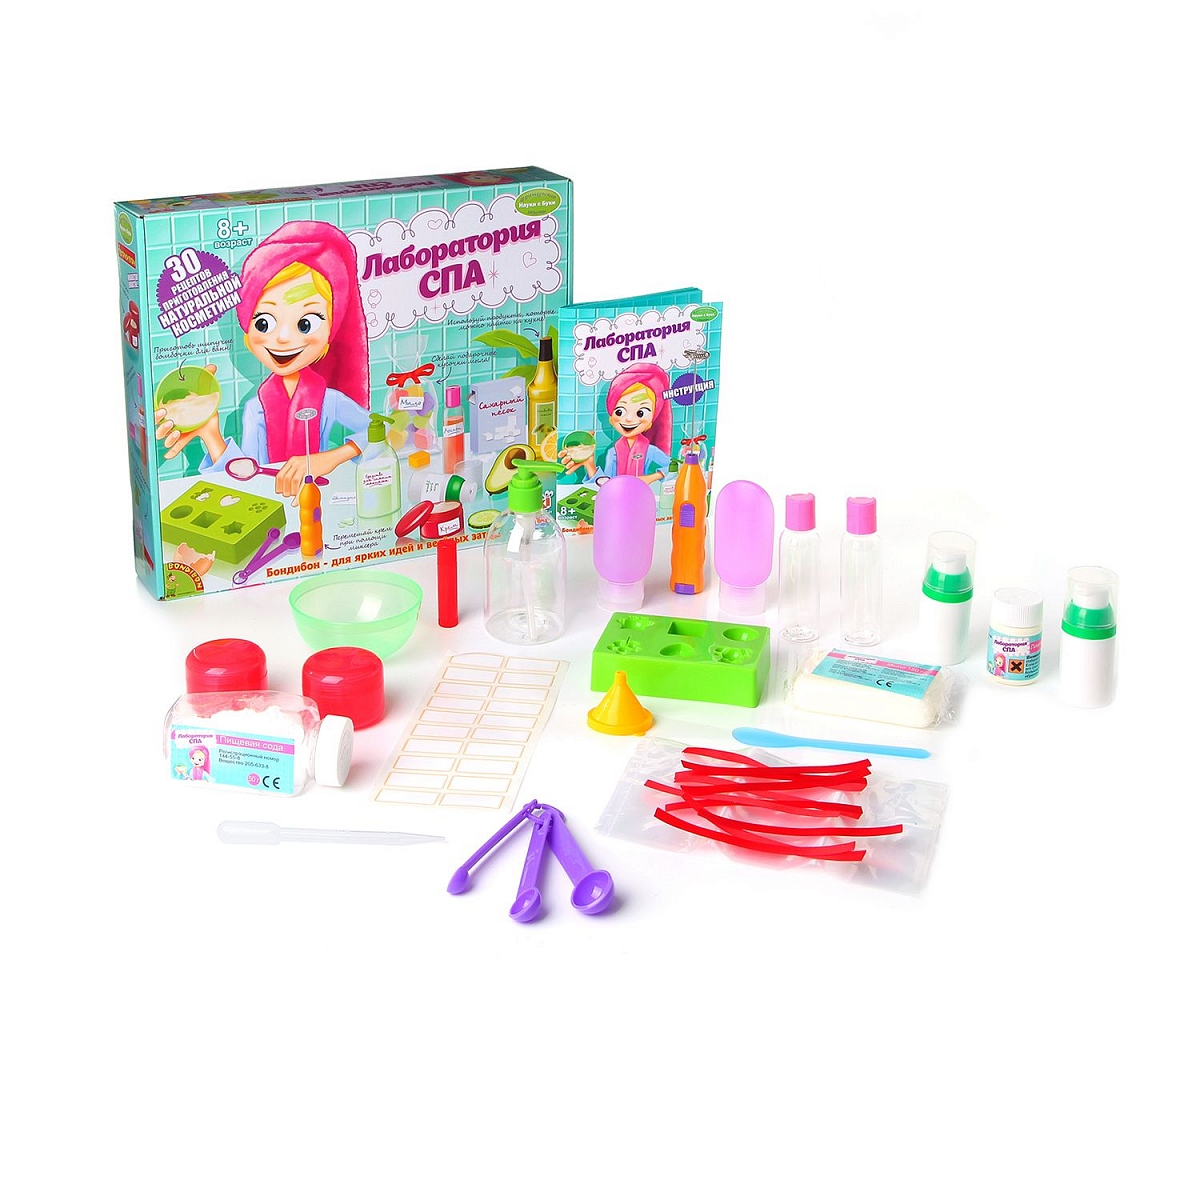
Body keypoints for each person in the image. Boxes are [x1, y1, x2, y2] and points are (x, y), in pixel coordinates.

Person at [155, 221, 371, 498]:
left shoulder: (329, 400)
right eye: (264, 323)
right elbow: (248, 473)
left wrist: (330, 458)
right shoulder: (256, 408)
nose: (283, 338)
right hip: (273, 504)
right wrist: (211, 434)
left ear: (330, 331)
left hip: (326, 498)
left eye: (305, 324)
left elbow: (381, 430)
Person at [561, 364, 672, 484]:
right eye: (620, 411)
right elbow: (606, 483)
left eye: (640, 413)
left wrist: (651, 477)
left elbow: (675, 467)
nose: (629, 419)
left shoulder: (650, 450)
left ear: (652, 418)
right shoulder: (613, 453)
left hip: (642, 493)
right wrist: (589, 465)